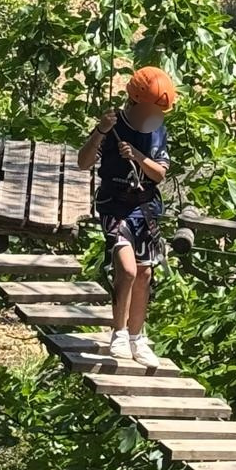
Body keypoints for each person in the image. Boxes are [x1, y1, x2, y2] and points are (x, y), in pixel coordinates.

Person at [76, 66, 175, 368]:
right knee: (128, 270)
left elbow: (159, 174)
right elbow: (84, 162)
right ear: (134, 101)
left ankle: (137, 336)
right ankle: (118, 332)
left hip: (145, 209)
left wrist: (137, 155)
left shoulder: (157, 131)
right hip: (114, 206)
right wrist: (100, 131)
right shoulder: (113, 125)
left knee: (145, 273)